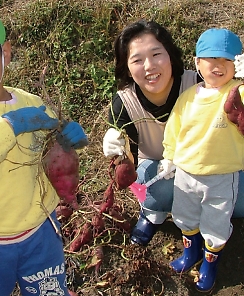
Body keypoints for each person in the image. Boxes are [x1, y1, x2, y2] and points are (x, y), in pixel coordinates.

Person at [0, 5, 88, 296]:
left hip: (39, 233)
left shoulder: (29, 101)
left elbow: (56, 135)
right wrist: (9, 125)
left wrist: (72, 135)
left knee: (49, 294)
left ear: (5, 53)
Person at [102, 19, 244, 248]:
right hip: (162, 170)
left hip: (214, 169)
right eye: (137, 60)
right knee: (155, 189)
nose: (149, 66)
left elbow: (236, 95)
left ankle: (203, 215)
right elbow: (128, 167)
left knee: (239, 203)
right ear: (126, 67)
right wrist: (116, 148)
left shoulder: (199, 84)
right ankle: (153, 213)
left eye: (156, 54)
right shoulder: (124, 103)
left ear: (170, 55)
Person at [160, 28, 243, 292]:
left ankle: (210, 264)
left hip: (221, 176)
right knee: (184, 216)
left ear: (237, 64)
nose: (219, 66)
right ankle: (190, 253)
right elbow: (174, 129)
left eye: (228, 60)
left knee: (216, 222)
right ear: (197, 62)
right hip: (186, 172)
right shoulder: (189, 97)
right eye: (211, 59)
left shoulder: (237, 93)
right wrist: (169, 158)